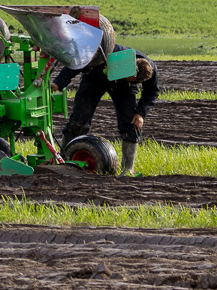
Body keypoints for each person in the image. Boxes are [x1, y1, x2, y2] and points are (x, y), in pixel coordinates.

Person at [60, 20, 160, 176]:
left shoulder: (150, 70)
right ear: (129, 65)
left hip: (123, 88)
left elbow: (152, 92)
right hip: (96, 77)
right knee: (79, 121)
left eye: (134, 80)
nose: (130, 79)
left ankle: (128, 169)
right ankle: (61, 159)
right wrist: (59, 83)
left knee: (131, 124)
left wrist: (141, 113)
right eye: (130, 76)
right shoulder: (109, 52)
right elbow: (80, 61)